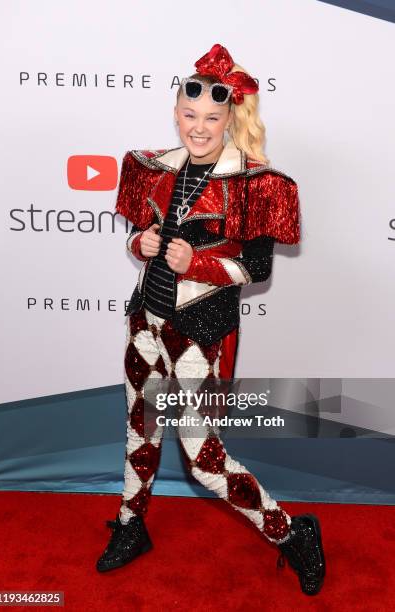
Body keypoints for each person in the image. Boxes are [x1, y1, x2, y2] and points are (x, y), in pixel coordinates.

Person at [96, 43, 326, 596]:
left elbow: (259, 267)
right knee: (139, 431)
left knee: (202, 460)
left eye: (212, 118)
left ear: (230, 118)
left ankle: (294, 533)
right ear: (177, 113)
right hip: (144, 322)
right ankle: (132, 525)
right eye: (190, 115)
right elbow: (140, 238)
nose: (199, 128)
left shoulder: (256, 183)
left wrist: (194, 261)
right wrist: (141, 241)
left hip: (201, 331)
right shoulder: (153, 166)